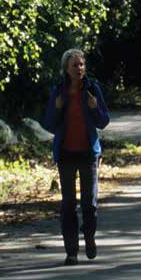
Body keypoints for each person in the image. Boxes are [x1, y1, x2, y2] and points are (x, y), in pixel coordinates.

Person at [44, 48, 110, 266]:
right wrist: (57, 108)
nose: (79, 68)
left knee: (89, 203)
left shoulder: (93, 89)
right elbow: (50, 124)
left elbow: (103, 121)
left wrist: (94, 107)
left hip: (88, 153)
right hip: (65, 154)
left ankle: (89, 236)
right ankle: (71, 251)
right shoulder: (58, 91)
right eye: (74, 65)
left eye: (81, 64)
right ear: (66, 68)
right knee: (68, 204)